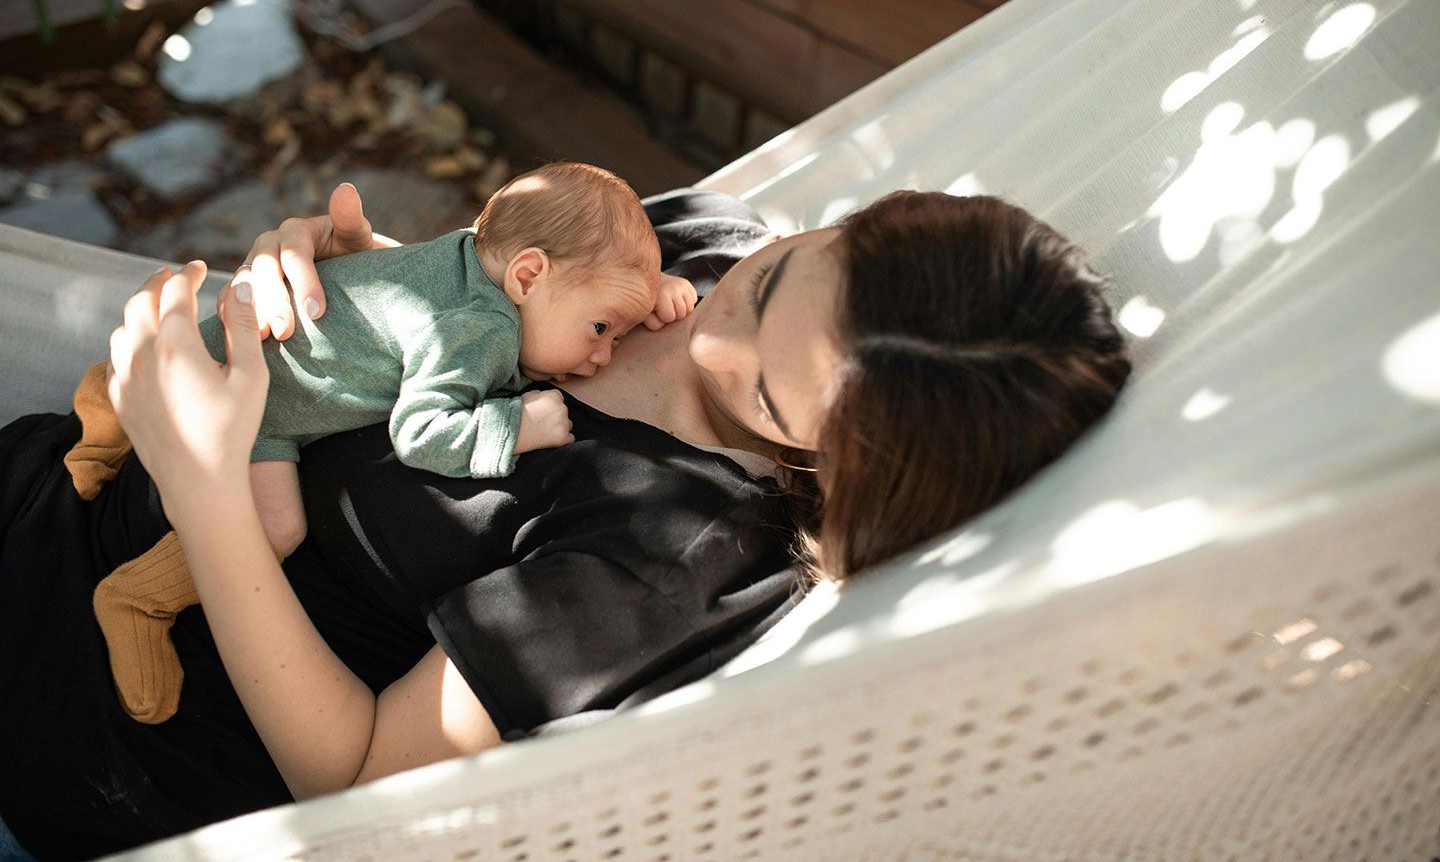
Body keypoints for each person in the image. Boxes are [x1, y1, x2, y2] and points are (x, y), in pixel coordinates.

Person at [0, 185, 1130, 860]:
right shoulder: (697, 236)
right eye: (773, 280)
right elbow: (465, 303)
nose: (706, 340)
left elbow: (354, 782)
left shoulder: (669, 550)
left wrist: (209, 498)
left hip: (77, 732)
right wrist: (339, 274)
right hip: (53, 483)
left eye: (768, 398)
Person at [64, 162, 699, 726]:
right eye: (602, 328)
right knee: (278, 528)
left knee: (169, 378)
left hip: (232, 354)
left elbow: (579, 286)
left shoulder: (464, 256)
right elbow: (420, 434)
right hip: (255, 408)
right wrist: (517, 426)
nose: (604, 353)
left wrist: (646, 296)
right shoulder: (479, 330)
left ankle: (105, 401)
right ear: (527, 275)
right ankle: (139, 601)